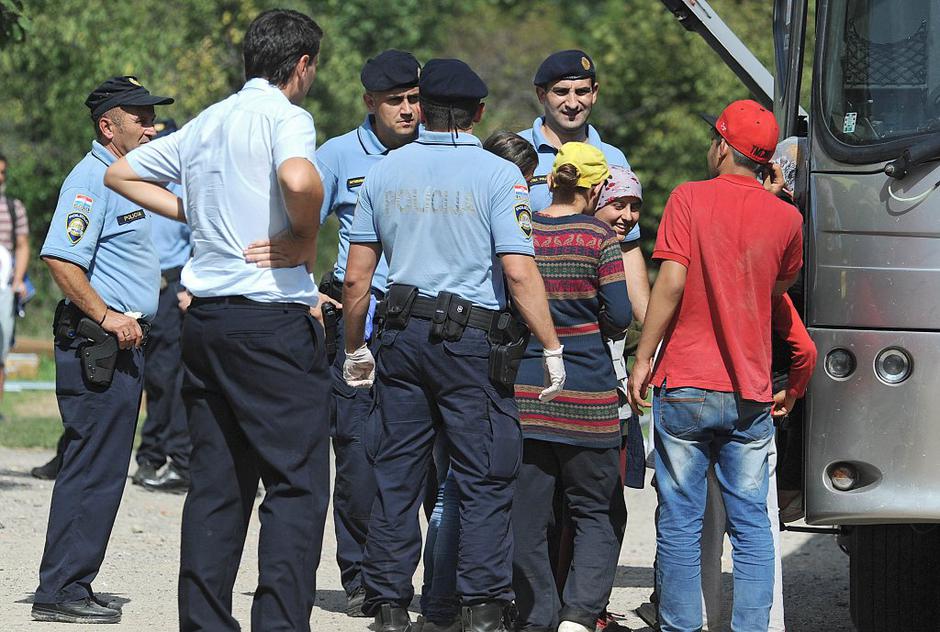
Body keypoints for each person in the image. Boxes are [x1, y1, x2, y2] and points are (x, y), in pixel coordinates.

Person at [105, 10, 330, 631]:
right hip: (270, 318)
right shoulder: (285, 116)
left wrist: (196, 212)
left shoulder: (208, 121)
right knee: (295, 484)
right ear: (302, 65)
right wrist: (305, 235)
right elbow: (298, 177)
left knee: (217, 486)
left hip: (205, 320)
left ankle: (204, 623)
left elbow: (119, 171)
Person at [341, 58, 566, 632]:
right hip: (470, 342)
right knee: (485, 473)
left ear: (422, 108)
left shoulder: (384, 172)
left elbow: (356, 277)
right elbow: (518, 271)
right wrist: (551, 345)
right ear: (479, 113)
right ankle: (483, 607)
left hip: (399, 334)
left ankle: (389, 607)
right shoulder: (500, 175)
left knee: (396, 471)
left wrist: (354, 346)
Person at [628, 99, 803, 632]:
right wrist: (767, 205)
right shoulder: (787, 218)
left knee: (681, 522)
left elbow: (672, 282)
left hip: (685, 384)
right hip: (750, 391)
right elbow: (777, 286)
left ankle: (681, 626)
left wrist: (643, 356)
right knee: (751, 525)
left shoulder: (689, 198)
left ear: (723, 146)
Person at [32, 75, 173, 624]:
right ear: (107, 126)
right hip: (99, 343)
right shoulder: (91, 180)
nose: (151, 126)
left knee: (106, 468)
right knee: (91, 465)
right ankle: (59, 591)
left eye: (151, 116)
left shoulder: (125, 177)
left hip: (120, 344)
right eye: (140, 117)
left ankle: (75, 581)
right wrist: (108, 316)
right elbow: (61, 258)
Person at [416, 130, 539, 632]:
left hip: (429, 347)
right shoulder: (499, 206)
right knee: (470, 486)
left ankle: (437, 604)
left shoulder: (448, 206)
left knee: (447, 488)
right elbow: (518, 276)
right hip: (476, 356)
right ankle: (459, 606)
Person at [314, 48, 421, 617]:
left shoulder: (436, 151)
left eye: (414, 99)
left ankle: (421, 576)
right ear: (369, 102)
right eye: (395, 100)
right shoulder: (337, 155)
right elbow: (293, 223)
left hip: (424, 324)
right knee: (357, 454)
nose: (407, 110)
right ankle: (359, 573)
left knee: (422, 454)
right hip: (359, 319)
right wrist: (304, 290)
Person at [511, 143, 631, 632]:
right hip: (588, 394)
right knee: (595, 512)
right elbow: (620, 315)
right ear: (597, 187)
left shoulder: (525, 231)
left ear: (550, 180)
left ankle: (537, 616)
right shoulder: (600, 238)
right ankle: (579, 616)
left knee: (527, 516)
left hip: (528, 392)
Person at [700, 293, 816, 632]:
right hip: (756, 398)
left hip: (694, 392)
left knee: (695, 524)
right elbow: (805, 350)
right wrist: (793, 390)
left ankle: (697, 620)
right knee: (756, 523)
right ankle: (764, 624)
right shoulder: (769, 280)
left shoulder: (692, 273)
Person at [518, 50, 649, 323]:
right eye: (561, 92)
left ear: (595, 93)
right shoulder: (516, 151)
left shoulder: (614, 158)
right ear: (541, 95)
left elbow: (628, 249)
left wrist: (649, 331)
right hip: (525, 317)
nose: (572, 103)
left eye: (582, 91)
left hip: (591, 320)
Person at [132, 118, 193, 493]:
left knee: (165, 376)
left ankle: (158, 454)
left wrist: (188, 287)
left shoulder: (183, 191)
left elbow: (199, 243)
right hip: (135, 290)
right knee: (143, 376)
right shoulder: (134, 186)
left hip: (171, 290)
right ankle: (151, 452)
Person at [0, 151, 30, 416]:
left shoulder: (13, 207)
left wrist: (18, 280)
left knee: (1, 352)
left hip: (4, 288)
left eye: (2, 173)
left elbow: (22, 245)